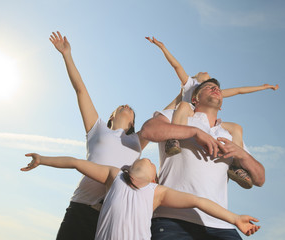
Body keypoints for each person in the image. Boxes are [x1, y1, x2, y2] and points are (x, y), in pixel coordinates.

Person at [21, 153, 261, 240]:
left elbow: (199, 201)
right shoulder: (114, 176)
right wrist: (43, 160)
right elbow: (75, 162)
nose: (146, 159)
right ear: (129, 168)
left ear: (155, 178)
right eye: (141, 159)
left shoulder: (157, 192)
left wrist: (235, 218)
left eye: (151, 162)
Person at [49, 31, 148, 240]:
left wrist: (188, 88)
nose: (127, 106)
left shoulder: (137, 140)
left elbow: (162, 118)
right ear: (111, 116)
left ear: (132, 123)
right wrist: (67, 54)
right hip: (81, 207)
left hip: (113, 213)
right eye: (121, 106)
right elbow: (81, 90)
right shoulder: (98, 128)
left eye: (131, 109)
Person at [140, 78, 265, 239]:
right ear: (195, 99)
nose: (215, 89)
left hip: (222, 225)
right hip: (173, 219)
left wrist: (242, 154)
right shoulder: (178, 115)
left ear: (221, 105)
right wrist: (194, 132)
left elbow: (260, 179)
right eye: (208, 87)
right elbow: (148, 131)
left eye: (218, 88)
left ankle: (236, 167)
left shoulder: (229, 134)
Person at [146, 36, 277, 189]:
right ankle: (173, 138)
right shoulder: (190, 84)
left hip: (208, 119)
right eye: (203, 73)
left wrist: (263, 87)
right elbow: (176, 66)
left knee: (236, 128)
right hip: (189, 113)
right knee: (183, 106)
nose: (206, 73)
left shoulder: (215, 90)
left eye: (216, 87)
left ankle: (235, 166)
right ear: (197, 79)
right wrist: (162, 47)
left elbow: (239, 91)